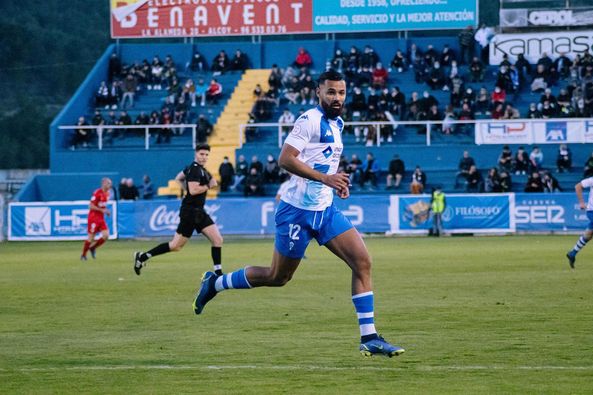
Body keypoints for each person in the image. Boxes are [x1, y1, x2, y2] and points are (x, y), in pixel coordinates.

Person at [191, 70, 405, 358]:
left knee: (362, 261)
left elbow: (323, 163)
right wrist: (325, 179)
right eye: (331, 92)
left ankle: (369, 337)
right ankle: (215, 283)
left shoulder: (338, 122)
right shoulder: (309, 121)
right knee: (277, 276)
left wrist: (336, 183)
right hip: (296, 213)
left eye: (341, 92)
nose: (337, 97)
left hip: (325, 210)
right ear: (318, 91)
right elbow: (285, 159)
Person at [133, 143, 223, 276]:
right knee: (175, 246)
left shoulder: (197, 169)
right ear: (196, 154)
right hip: (190, 212)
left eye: (206, 155)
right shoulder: (194, 169)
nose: (204, 157)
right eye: (201, 154)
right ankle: (143, 256)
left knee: (218, 239)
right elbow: (193, 191)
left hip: (199, 211)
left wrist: (190, 187)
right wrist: (208, 186)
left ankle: (218, 273)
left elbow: (178, 178)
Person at [80, 177, 112, 261]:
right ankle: (83, 255)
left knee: (106, 235)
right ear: (104, 183)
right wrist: (102, 210)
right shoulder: (97, 193)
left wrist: (106, 211)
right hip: (93, 218)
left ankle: (93, 248)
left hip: (101, 218)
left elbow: (102, 205)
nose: (110, 185)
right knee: (91, 237)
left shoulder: (107, 194)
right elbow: (90, 206)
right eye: (108, 183)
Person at [566, 176, 593, 268]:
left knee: (589, 234)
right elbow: (578, 186)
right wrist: (581, 203)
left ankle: (572, 253)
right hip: (592, 211)